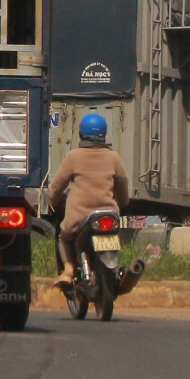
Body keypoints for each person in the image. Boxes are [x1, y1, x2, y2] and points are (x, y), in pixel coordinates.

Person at [47, 112, 130, 288]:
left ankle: (68, 270)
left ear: (81, 134)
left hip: (80, 216)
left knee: (63, 237)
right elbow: (123, 185)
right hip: (108, 214)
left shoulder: (74, 156)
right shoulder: (113, 157)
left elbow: (56, 187)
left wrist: (52, 203)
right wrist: (123, 203)